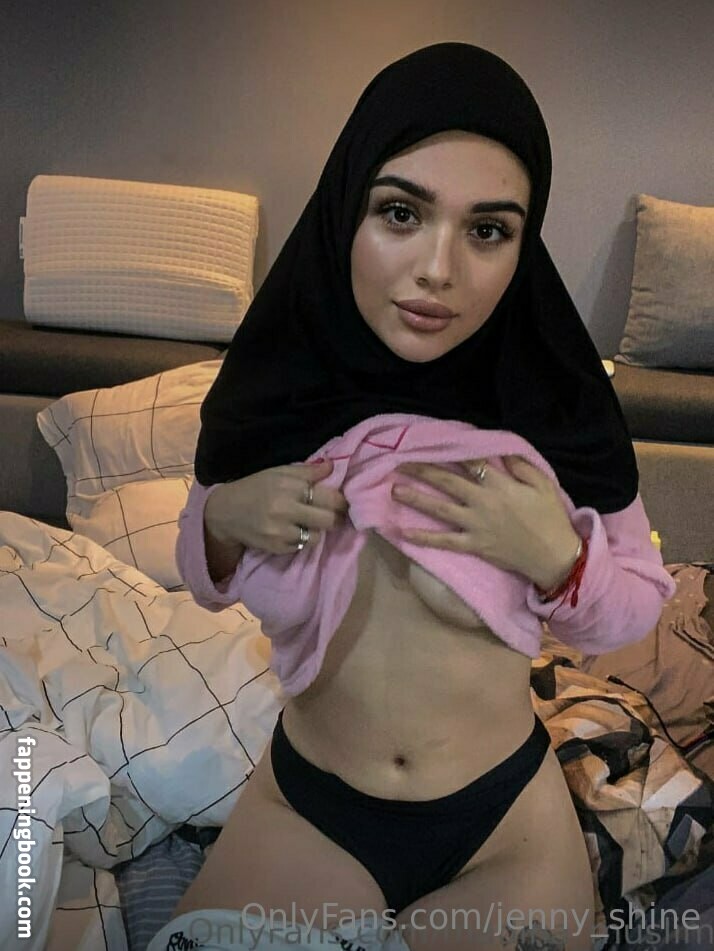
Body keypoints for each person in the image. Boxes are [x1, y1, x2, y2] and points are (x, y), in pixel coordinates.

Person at [147, 43, 676, 951]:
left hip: (501, 826)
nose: (439, 268)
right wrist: (223, 522)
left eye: (487, 230)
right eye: (401, 212)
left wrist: (560, 559)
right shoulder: (272, 392)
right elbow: (202, 570)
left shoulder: (556, 407)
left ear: (523, 244)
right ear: (346, 209)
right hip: (309, 810)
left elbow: (637, 603)